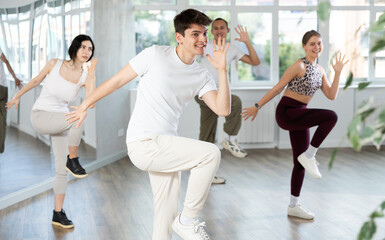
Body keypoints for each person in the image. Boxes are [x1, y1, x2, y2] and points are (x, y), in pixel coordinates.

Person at [66, 9, 229, 240]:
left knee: (165, 214)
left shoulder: (201, 75)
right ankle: (188, 220)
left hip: (166, 145)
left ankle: (179, 222)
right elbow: (117, 81)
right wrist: (84, 105)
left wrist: (222, 70)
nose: (203, 39)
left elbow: (223, 109)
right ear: (179, 37)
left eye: (204, 33)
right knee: (211, 153)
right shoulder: (155, 55)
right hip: (144, 142)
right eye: (195, 34)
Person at [242, 30, 348, 220]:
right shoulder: (299, 65)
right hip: (287, 112)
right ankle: (310, 155)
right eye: (312, 44)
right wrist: (257, 106)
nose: (317, 47)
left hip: (300, 114)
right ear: (304, 46)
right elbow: (278, 88)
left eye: (319, 44)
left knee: (299, 162)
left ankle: (293, 205)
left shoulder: (320, 70)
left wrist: (338, 73)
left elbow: (332, 95)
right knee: (330, 117)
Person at [6, 34, 97, 228]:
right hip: (41, 115)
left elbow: (91, 103)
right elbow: (35, 80)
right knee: (77, 117)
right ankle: (72, 159)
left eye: (90, 49)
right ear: (74, 48)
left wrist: (92, 77)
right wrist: (17, 96)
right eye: (83, 47)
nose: (86, 52)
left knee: (60, 171)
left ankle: (57, 213)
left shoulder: (84, 76)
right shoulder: (54, 64)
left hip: (61, 121)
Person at [196, 18, 260, 184]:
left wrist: (247, 42)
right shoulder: (204, 45)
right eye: (215, 28)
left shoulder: (231, 48)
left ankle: (229, 141)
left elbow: (255, 62)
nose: (218, 31)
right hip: (204, 91)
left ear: (227, 30)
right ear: (211, 31)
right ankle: (229, 141)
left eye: (222, 28)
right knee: (208, 134)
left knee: (207, 134)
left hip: (221, 92)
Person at [0, 48, 22, 154]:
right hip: (2, 87)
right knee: (2, 119)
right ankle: (0, 148)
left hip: (2, 88)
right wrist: (15, 77)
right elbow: (7, 62)